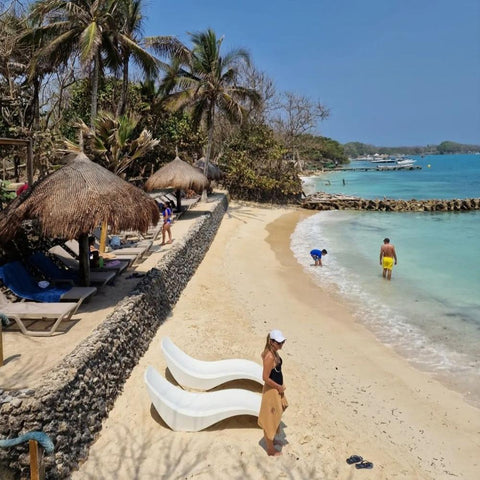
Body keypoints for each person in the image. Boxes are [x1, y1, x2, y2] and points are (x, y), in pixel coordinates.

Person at [258, 329, 288, 456]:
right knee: (269, 418)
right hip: (271, 391)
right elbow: (265, 377)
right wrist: (278, 387)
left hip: (276, 389)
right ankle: (270, 449)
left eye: (282, 342)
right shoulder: (270, 356)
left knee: (277, 413)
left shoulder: (273, 352)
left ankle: (272, 438)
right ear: (272, 342)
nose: (282, 344)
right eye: (279, 342)